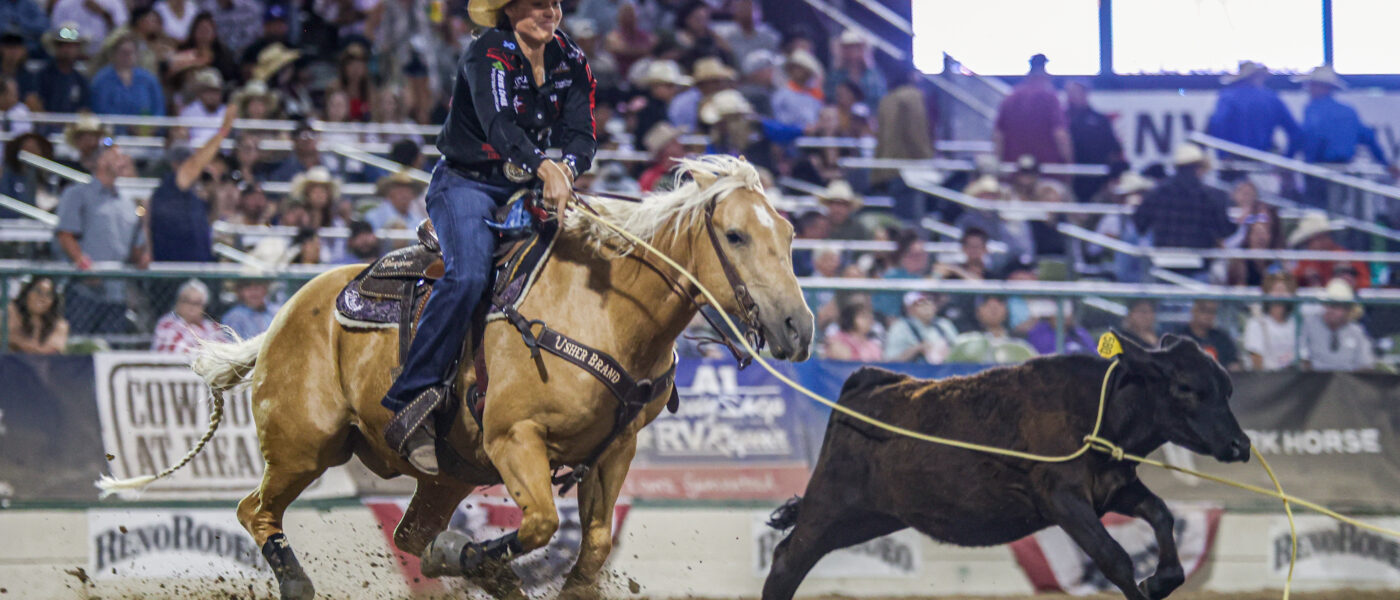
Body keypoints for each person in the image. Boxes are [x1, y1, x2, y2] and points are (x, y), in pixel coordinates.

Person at [382, 0, 594, 474]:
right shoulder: (488, 53)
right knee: (468, 276)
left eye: (554, 4)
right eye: (537, 4)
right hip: (466, 182)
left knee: (580, 263)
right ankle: (411, 400)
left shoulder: (572, 60)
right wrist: (545, 165)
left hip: (527, 184)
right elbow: (499, 124)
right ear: (510, 9)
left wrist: (567, 167)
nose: (549, 12)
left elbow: (582, 133)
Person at [54, 143, 149, 334]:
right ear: (101, 160)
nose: (122, 161)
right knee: (78, 347)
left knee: (112, 347)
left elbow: (135, 248)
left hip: (117, 293)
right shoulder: (77, 193)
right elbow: (65, 235)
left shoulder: (127, 202)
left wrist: (142, 254)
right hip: (84, 290)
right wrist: (83, 264)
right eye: (116, 156)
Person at [1289, 65, 1396, 209]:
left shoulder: (1312, 109)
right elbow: (1369, 138)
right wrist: (1386, 164)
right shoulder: (1348, 111)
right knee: (1338, 210)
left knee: (1316, 213)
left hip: (1318, 171)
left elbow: (1308, 138)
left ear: (1321, 87)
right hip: (1344, 171)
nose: (1309, 89)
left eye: (1312, 85)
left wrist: (1290, 160)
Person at [1133, 143, 1234, 254]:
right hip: (1199, 261)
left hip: (1163, 259)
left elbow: (1139, 225)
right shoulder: (1213, 196)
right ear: (1199, 168)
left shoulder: (1156, 193)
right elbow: (1224, 231)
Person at [1206, 61, 1298, 157]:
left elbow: (1217, 125)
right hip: (1265, 160)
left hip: (1233, 161)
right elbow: (1295, 132)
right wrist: (1287, 158)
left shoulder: (1227, 97)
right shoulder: (1272, 98)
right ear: (1258, 77)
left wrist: (1223, 155)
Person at [994, 54, 1070, 165]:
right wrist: (1069, 163)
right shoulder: (1050, 99)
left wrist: (1000, 165)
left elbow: (998, 136)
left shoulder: (1011, 98)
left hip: (1013, 170)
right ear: (1045, 72)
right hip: (1046, 172)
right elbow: (1060, 135)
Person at [1064, 80, 1123, 202]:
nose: (1073, 96)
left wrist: (1110, 178)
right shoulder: (1060, 119)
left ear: (1086, 93)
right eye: (1070, 92)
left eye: (1077, 92)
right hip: (1069, 178)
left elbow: (1114, 150)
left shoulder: (1100, 119)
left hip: (1096, 179)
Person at [1299, 278, 1375, 371]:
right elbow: (1301, 358)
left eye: (1336, 305)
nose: (1330, 309)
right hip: (1314, 381)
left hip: (1347, 382)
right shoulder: (1309, 325)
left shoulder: (1356, 332)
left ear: (1347, 310)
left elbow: (1365, 365)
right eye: (1327, 304)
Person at [1289, 211, 1370, 289]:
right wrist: (1307, 278)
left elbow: (1365, 283)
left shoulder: (1345, 257)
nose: (1316, 244)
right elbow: (1293, 281)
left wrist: (1352, 282)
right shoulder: (1307, 261)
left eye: (1321, 238)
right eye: (1310, 241)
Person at [89, 33, 164, 117]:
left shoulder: (148, 79)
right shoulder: (102, 80)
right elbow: (99, 109)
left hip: (145, 129)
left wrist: (149, 128)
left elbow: (159, 108)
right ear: (114, 54)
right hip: (111, 128)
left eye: (131, 52)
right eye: (124, 52)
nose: (128, 56)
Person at [1242, 270, 1298, 370]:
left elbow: (1303, 359)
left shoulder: (1297, 324)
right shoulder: (1256, 323)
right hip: (1266, 381)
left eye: (1284, 290)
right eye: (1275, 290)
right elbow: (1256, 361)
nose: (1280, 294)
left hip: (1294, 379)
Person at [152, 279, 226, 354]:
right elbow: (177, 350)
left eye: (197, 303)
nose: (191, 307)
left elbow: (225, 349)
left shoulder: (212, 326)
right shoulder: (167, 323)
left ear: (204, 306)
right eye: (187, 301)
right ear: (178, 303)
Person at [883, 292, 956, 364]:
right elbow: (890, 361)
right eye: (921, 303)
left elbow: (958, 350)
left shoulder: (944, 324)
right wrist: (917, 349)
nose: (927, 307)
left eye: (929, 302)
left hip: (946, 371)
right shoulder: (900, 327)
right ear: (909, 309)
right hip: (912, 372)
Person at [34, 23, 90, 114]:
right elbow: (36, 104)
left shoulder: (81, 81)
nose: (67, 50)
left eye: (72, 45)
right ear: (56, 47)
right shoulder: (42, 76)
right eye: (63, 45)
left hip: (72, 127)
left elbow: (84, 109)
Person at [7, 276, 68, 354]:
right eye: (38, 291)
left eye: (48, 294)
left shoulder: (59, 324)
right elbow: (7, 338)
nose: (42, 298)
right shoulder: (12, 311)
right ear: (27, 292)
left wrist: (20, 344)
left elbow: (53, 349)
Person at [1176, 300, 1241, 371]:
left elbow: (1234, 365)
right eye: (1203, 310)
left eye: (1212, 312)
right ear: (1193, 311)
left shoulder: (1223, 339)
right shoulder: (1179, 338)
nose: (1208, 316)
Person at [50, 0, 127, 56]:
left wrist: (105, 14)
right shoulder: (64, 4)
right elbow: (56, 32)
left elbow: (122, 33)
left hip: (103, 57)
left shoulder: (115, 3)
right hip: (72, 57)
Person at [178, 67, 227, 146]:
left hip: (221, 154)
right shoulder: (189, 112)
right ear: (200, 92)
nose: (212, 95)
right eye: (208, 91)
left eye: (215, 91)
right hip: (195, 154)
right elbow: (182, 134)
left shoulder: (226, 112)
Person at [824, 297, 883, 361]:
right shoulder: (837, 339)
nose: (869, 320)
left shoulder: (872, 345)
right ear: (850, 318)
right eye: (863, 316)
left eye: (869, 316)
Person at [637, 122, 684, 193]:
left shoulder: (687, 172)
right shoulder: (650, 178)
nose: (680, 145)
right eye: (674, 142)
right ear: (665, 149)